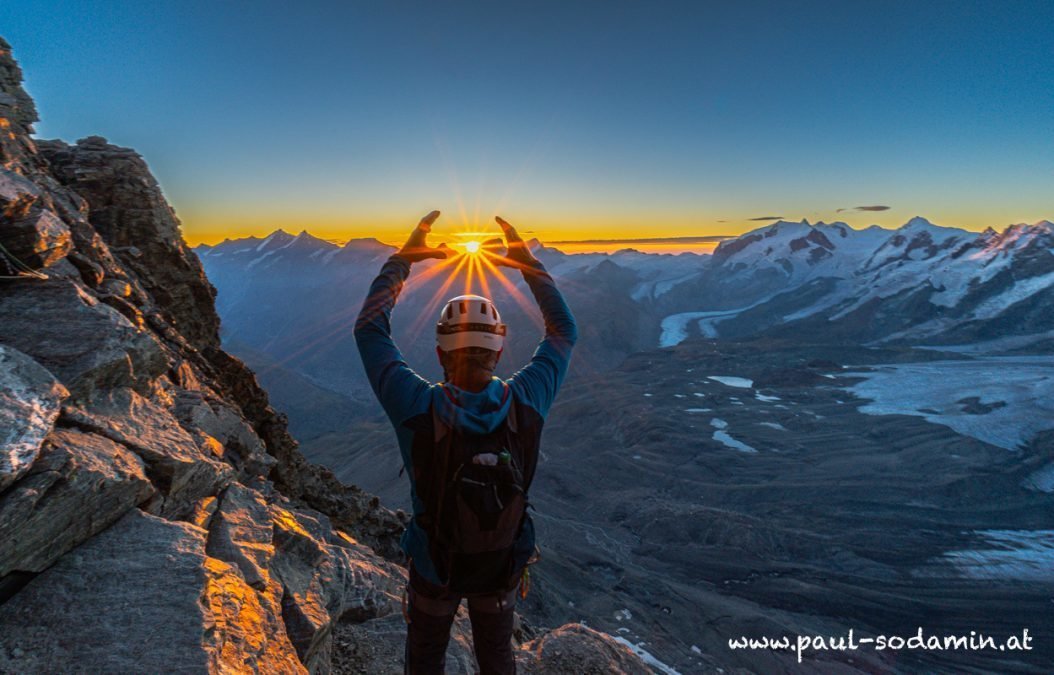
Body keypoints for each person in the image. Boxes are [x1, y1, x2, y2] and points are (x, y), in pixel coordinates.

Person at [354, 210, 577, 674]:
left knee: (426, 657)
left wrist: (402, 261)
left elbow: (369, 330)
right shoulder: (528, 401)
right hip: (501, 567)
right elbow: (563, 331)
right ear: (499, 350)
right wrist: (528, 264)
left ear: (439, 353)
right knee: (496, 655)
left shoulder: (415, 406)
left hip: (435, 568)